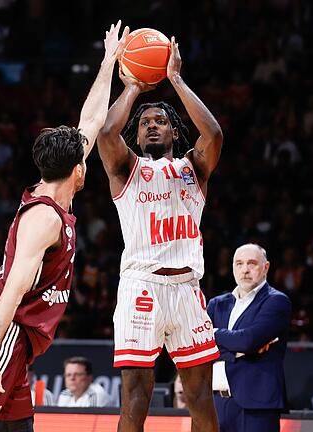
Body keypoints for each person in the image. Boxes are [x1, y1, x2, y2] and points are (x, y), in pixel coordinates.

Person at [0, 21, 127, 432]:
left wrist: (109, 61)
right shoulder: (44, 218)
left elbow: (91, 120)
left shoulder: (57, 190)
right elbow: (12, 290)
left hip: (18, 345)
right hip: (4, 335)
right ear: (80, 170)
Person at [96, 34, 223, 432]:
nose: (153, 126)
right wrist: (133, 85)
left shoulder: (193, 169)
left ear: (173, 133)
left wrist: (177, 80)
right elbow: (104, 134)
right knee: (137, 394)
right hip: (141, 287)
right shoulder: (125, 170)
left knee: (200, 395)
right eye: (146, 123)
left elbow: (215, 134)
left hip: (187, 288)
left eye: (162, 121)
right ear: (136, 136)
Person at [207, 244, 291, 432]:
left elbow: (248, 341)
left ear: (266, 267)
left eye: (251, 263)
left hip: (257, 405)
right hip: (216, 403)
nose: (245, 269)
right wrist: (235, 351)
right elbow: (201, 346)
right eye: (239, 264)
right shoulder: (216, 304)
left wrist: (213, 334)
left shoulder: (276, 301)